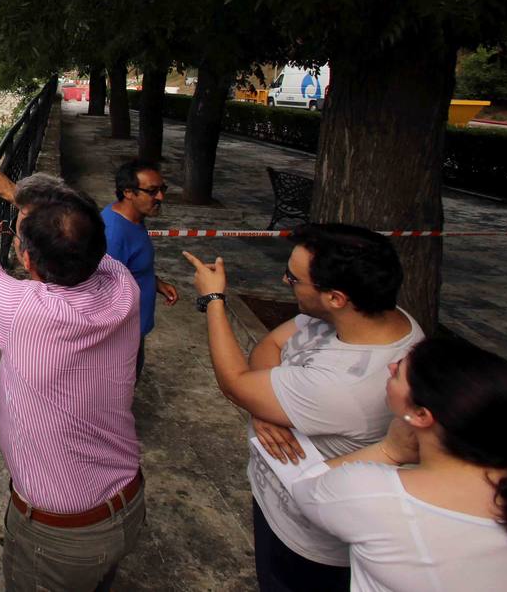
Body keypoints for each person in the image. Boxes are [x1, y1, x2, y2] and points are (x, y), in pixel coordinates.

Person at [0, 156, 143, 592]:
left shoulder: (25, 314)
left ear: (28, 261)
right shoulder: (122, 284)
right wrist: (12, 192)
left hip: (61, 536)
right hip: (126, 503)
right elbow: (77, 226)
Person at [181, 223, 425, 592]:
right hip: (279, 500)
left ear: (336, 297)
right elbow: (269, 346)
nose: (284, 281)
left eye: (294, 279)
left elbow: (235, 381)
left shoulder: (348, 383)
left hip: (303, 539)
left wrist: (213, 300)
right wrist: (264, 404)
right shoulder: (373, 318)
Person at [286, 337, 507, 591]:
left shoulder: (370, 491)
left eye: (400, 373)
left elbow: (304, 490)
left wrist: (389, 450)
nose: (391, 367)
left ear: (421, 415)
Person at [102, 159, 179, 377]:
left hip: (135, 329)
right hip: (121, 336)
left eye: (162, 189)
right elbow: (103, 289)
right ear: (128, 192)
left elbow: (130, 267)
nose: (161, 197)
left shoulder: (135, 219)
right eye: (152, 191)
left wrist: (156, 283)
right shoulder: (114, 234)